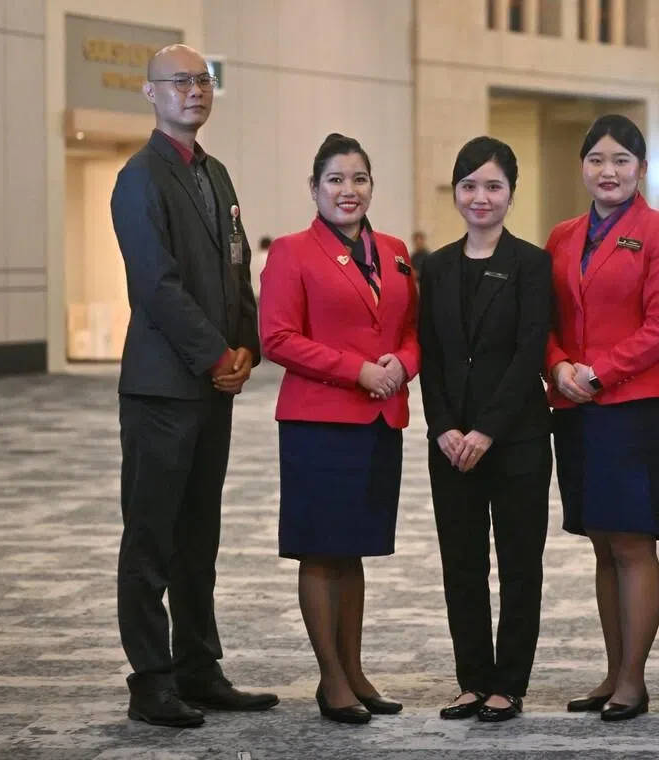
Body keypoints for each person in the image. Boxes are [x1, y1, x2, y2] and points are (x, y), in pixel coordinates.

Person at [110, 43, 278, 728]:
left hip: (214, 385)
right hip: (162, 389)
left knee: (199, 533)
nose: (193, 91)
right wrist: (215, 354)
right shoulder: (140, 178)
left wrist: (247, 345)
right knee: (151, 536)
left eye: (202, 81)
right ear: (150, 93)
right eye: (178, 82)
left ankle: (198, 666)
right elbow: (157, 286)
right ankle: (151, 678)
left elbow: (236, 270)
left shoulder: (216, 174)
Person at [258, 133, 420, 725]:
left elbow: (411, 327)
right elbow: (277, 338)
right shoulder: (292, 252)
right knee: (323, 554)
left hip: (380, 419)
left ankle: (354, 670)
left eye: (359, 179)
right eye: (335, 180)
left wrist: (403, 363)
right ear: (314, 188)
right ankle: (331, 680)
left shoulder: (396, 250)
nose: (347, 191)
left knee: (353, 552)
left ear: (372, 185)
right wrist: (357, 372)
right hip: (319, 422)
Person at [545, 114, 659, 722]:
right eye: (598, 160)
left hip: (635, 406)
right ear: (582, 166)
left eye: (622, 161)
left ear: (642, 170)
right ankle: (611, 672)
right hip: (572, 406)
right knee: (601, 543)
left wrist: (598, 372)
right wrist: (557, 367)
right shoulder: (561, 235)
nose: (609, 172)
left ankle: (634, 679)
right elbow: (545, 320)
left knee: (632, 541)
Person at [418, 137, 553, 723]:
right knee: (462, 564)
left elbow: (529, 354)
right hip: (450, 444)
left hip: (517, 438)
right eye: (469, 185)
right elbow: (429, 351)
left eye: (493, 186)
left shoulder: (532, 263)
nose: (480, 197)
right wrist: (444, 426)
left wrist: (486, 432)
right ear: (456, 192)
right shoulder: (438, 266)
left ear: (511, 194)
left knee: (520, 563)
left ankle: (508, 684)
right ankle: (472, 679)